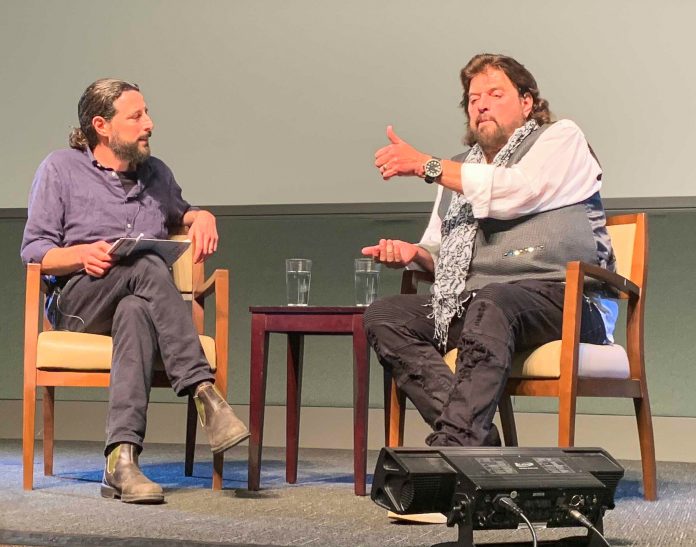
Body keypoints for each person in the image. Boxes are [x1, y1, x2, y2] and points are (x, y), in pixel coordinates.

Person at [362, 53, 617, 448]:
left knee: (493, 299)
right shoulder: (459, 169)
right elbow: (443, 253)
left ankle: (456, 443)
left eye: (495, 94)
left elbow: (515, 189)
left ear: (527, 102)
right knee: (386, 315)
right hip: (483, 304)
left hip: (566, 300)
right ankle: (473, 441)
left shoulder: (560, 138)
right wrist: (414, 254)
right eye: (473, 98)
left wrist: (428, 166)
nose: (481, 104)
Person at [20, 79, 249, 504]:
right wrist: (80, 254)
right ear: (102, 126)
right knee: (145, 263)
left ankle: (121, 461)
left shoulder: (157, 174)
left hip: (135, 302)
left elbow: (183, 213)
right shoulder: (60, 169)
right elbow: (34, 250)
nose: (149, 124)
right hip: (79, 301)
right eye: (137, 116)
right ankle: (203, 392)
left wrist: (202, 216)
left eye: (147, 113)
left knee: (135, 311)